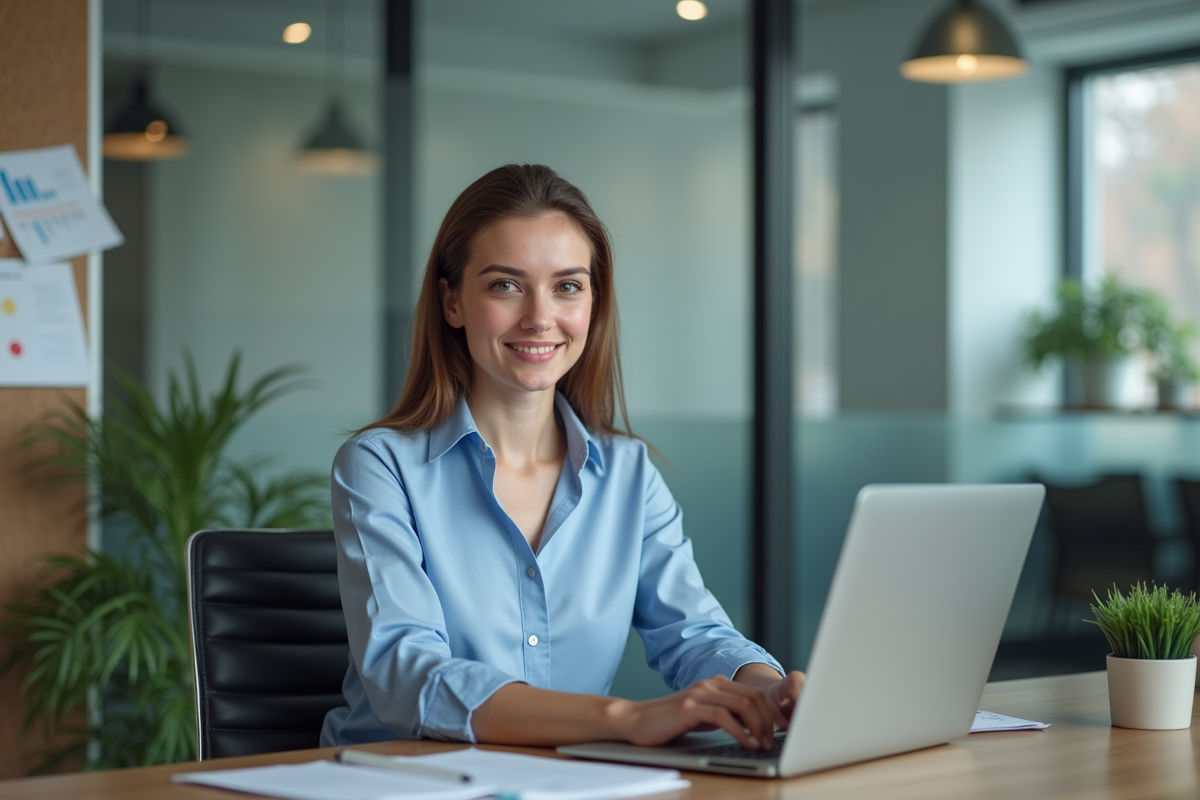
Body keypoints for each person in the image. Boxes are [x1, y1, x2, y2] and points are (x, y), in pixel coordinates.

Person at [320, 164, 805, 751]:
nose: (539, 317)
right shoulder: (380, 467)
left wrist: (767, 691)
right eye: (505, 285)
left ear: (593, 302)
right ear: (452, 301)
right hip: (399, 783)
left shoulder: (629, 474)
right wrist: (623, 719)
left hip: (566, 784)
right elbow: (409, 674)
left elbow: (695, 634)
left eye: (568, 286)